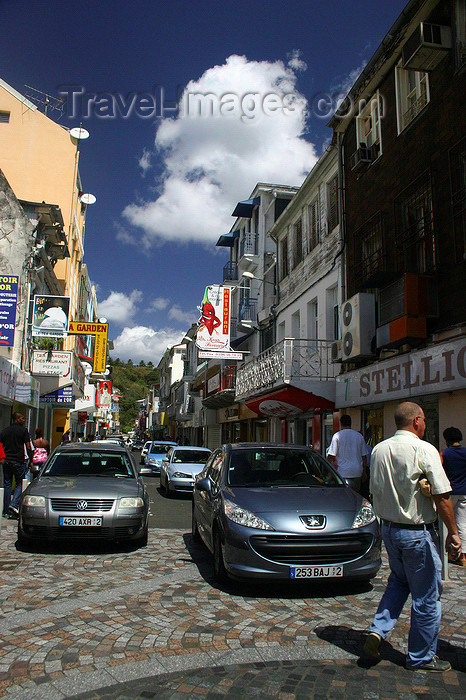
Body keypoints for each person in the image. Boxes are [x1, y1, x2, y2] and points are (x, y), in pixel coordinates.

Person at [363, 402, 461, 673]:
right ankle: (421, 657)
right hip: (416, 533)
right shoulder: (423, 448)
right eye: (424, 420)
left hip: (390, 530)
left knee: (398, 581)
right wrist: (453, 533)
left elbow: (375, 488)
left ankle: (378, 631)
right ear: (417, 421)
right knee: (427, 597)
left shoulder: (379, 449)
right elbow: (442, 496)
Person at [440, 426, 466, 567]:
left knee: (447, 524)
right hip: (464, 492)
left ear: (446, 439)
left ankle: (448, 554)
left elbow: (439, 472)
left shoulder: (444, 454)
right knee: (462, 524)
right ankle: (463, 556)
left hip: (449, 492)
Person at [0, 413, 33, 518]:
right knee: (19, 482)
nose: (24, 420)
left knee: (7, 484)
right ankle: (13, 505)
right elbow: (28, 446)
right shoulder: (23, 431)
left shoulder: (5, 430)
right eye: (22, 418)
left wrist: (2, 457)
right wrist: (31, 460)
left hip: (7, 461)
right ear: (17, 419)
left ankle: (5, 510)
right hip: (18, 461)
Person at [327, 414, 367, 492]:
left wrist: (328, 469)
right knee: (356, 495)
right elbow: (364, 456)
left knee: (344, 496)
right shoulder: (359, 436)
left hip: (343, 472)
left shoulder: (337, 436)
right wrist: (364, 471)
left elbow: (331, 455)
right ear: (350, 423)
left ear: (341, 424)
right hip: (357, 472)